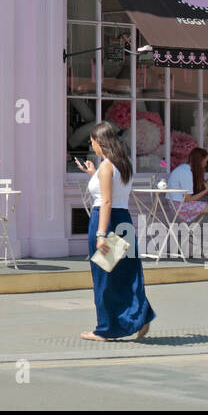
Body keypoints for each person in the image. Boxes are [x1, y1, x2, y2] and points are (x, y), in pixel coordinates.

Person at [75, 121, 156, 341]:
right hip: (123, 221)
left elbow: (106, 201)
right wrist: (93, 172)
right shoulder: (122, 164)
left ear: (100, 141)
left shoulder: (107, 167)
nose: (93, 147)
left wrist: (101, 234)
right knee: (124, 275)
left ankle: (106, 329)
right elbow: (112, 193)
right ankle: (141, 315)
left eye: (93, 142)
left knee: (105, 278)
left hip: (107, 222)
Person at [166, 147, 208, 249]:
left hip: (178, 205)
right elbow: (188, 199)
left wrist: (206, 183)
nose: (205, 165)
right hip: (182, 208)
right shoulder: (186, 173)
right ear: (199, 161)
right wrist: (206, 189)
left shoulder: (184, 169)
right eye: (205, 162)